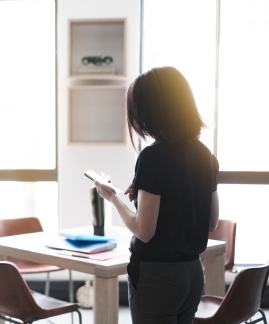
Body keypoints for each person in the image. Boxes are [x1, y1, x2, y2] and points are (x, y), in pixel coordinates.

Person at [94, 66, 220, 324]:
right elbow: (211, 222)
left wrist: (113, 197)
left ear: (149, 112)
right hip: (193, 273)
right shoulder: (204, 155)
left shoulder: (152, 157)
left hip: (157, 276)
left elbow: (144, 231)